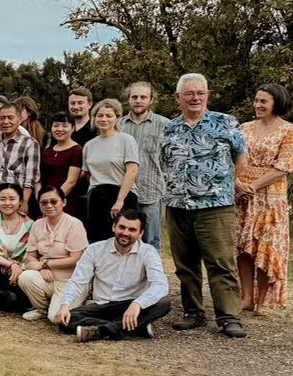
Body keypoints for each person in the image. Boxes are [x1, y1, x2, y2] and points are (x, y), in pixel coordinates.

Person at [160, 74, 249, 337]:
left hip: (216, 205)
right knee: (185, 263)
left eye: (200, 93)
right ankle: (193, 312)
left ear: (207, 95)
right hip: (177, 205)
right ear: (178, 98)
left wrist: (232, 182)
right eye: (189, 93)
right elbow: (164, 162)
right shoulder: (169, 128)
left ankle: (228, 316)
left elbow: (241, 156)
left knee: (220, 262)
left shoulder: (225, 122)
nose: (195, 98)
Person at [54, 209, 171, 342]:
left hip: (130, 305)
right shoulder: (95, 249)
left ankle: (102, 329)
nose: (125, 233)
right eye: (121, 227)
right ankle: (132, 327)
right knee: (66, 319)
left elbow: (160, 285)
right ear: (114, 227)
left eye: (132, 230)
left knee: (163, 302)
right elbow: (77, 281)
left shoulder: (148, 252)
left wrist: (137, 304)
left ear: (141, 233)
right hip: (101, 305)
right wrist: (65, 304)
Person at [234, 83, 293, 312]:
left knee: (264, 244)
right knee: (243, 246)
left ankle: (262, 300)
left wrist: (254, 186)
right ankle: (246, 297)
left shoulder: (288, 130)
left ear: (276, 103)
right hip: (242, 193)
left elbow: (284, 166)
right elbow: (232, 157)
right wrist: (238, 183)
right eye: (256, 100)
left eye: (263, 101)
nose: (258, 105)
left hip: (270, 195)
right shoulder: (244, 128)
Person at [17, 186, 88, 322]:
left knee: (56, 318)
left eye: (53, 202)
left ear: (64, 202)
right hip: (47, 278)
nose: (49, 206)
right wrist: (41, 268)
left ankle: (82, 301)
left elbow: (75, 259)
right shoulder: (37, 224)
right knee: (26, 276)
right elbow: (30, 256)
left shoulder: (74, 224)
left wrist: (45, 264)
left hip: (69, 281)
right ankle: (42, 308)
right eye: (44, 203)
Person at [119, 81, 170, 249]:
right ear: (128, 99)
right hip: (124, 192)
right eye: (134, 97)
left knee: (150, 240)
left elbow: (170, 158)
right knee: (124, 238)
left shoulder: (164, 125)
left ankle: (150, 275)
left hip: (151, 190)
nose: (138, 100)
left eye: (143, 97)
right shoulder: (118, 125)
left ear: (151, 100)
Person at [82, 99, 140, 242]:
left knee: (123, 239)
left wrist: (120, 200)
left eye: (109, 116)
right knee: (97, 240)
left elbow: (132, 171)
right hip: (96, 197)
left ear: (117, 118)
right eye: (100, 115)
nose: (104, 119)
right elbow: (89, 174)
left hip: (122, 196)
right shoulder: (89, 145)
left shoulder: (126, 140)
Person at [0, 101, 40, 221]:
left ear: (19, 119)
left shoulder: (30, 143)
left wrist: (25, 201)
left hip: (17, 195)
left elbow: (31, 177)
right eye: (2, 118)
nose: (6, 122)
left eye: (10, 118)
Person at [0, 184, 33, 312]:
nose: (7, 203)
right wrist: (11, 265)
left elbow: (32, 254)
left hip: (22, 271)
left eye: (12, 199)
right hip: (0, 269)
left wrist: (19, 268)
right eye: (2, 199)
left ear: (20, 201)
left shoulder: (31, 225)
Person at [40, 113, 84, 217]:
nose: (60, 129)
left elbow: (71, 181)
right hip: (45, 203)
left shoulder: (77, 150)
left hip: (64, 202)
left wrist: (54, 201)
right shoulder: (47, 151)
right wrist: (43, 200)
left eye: (65, 126)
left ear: (73, 128)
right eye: (56, 125)